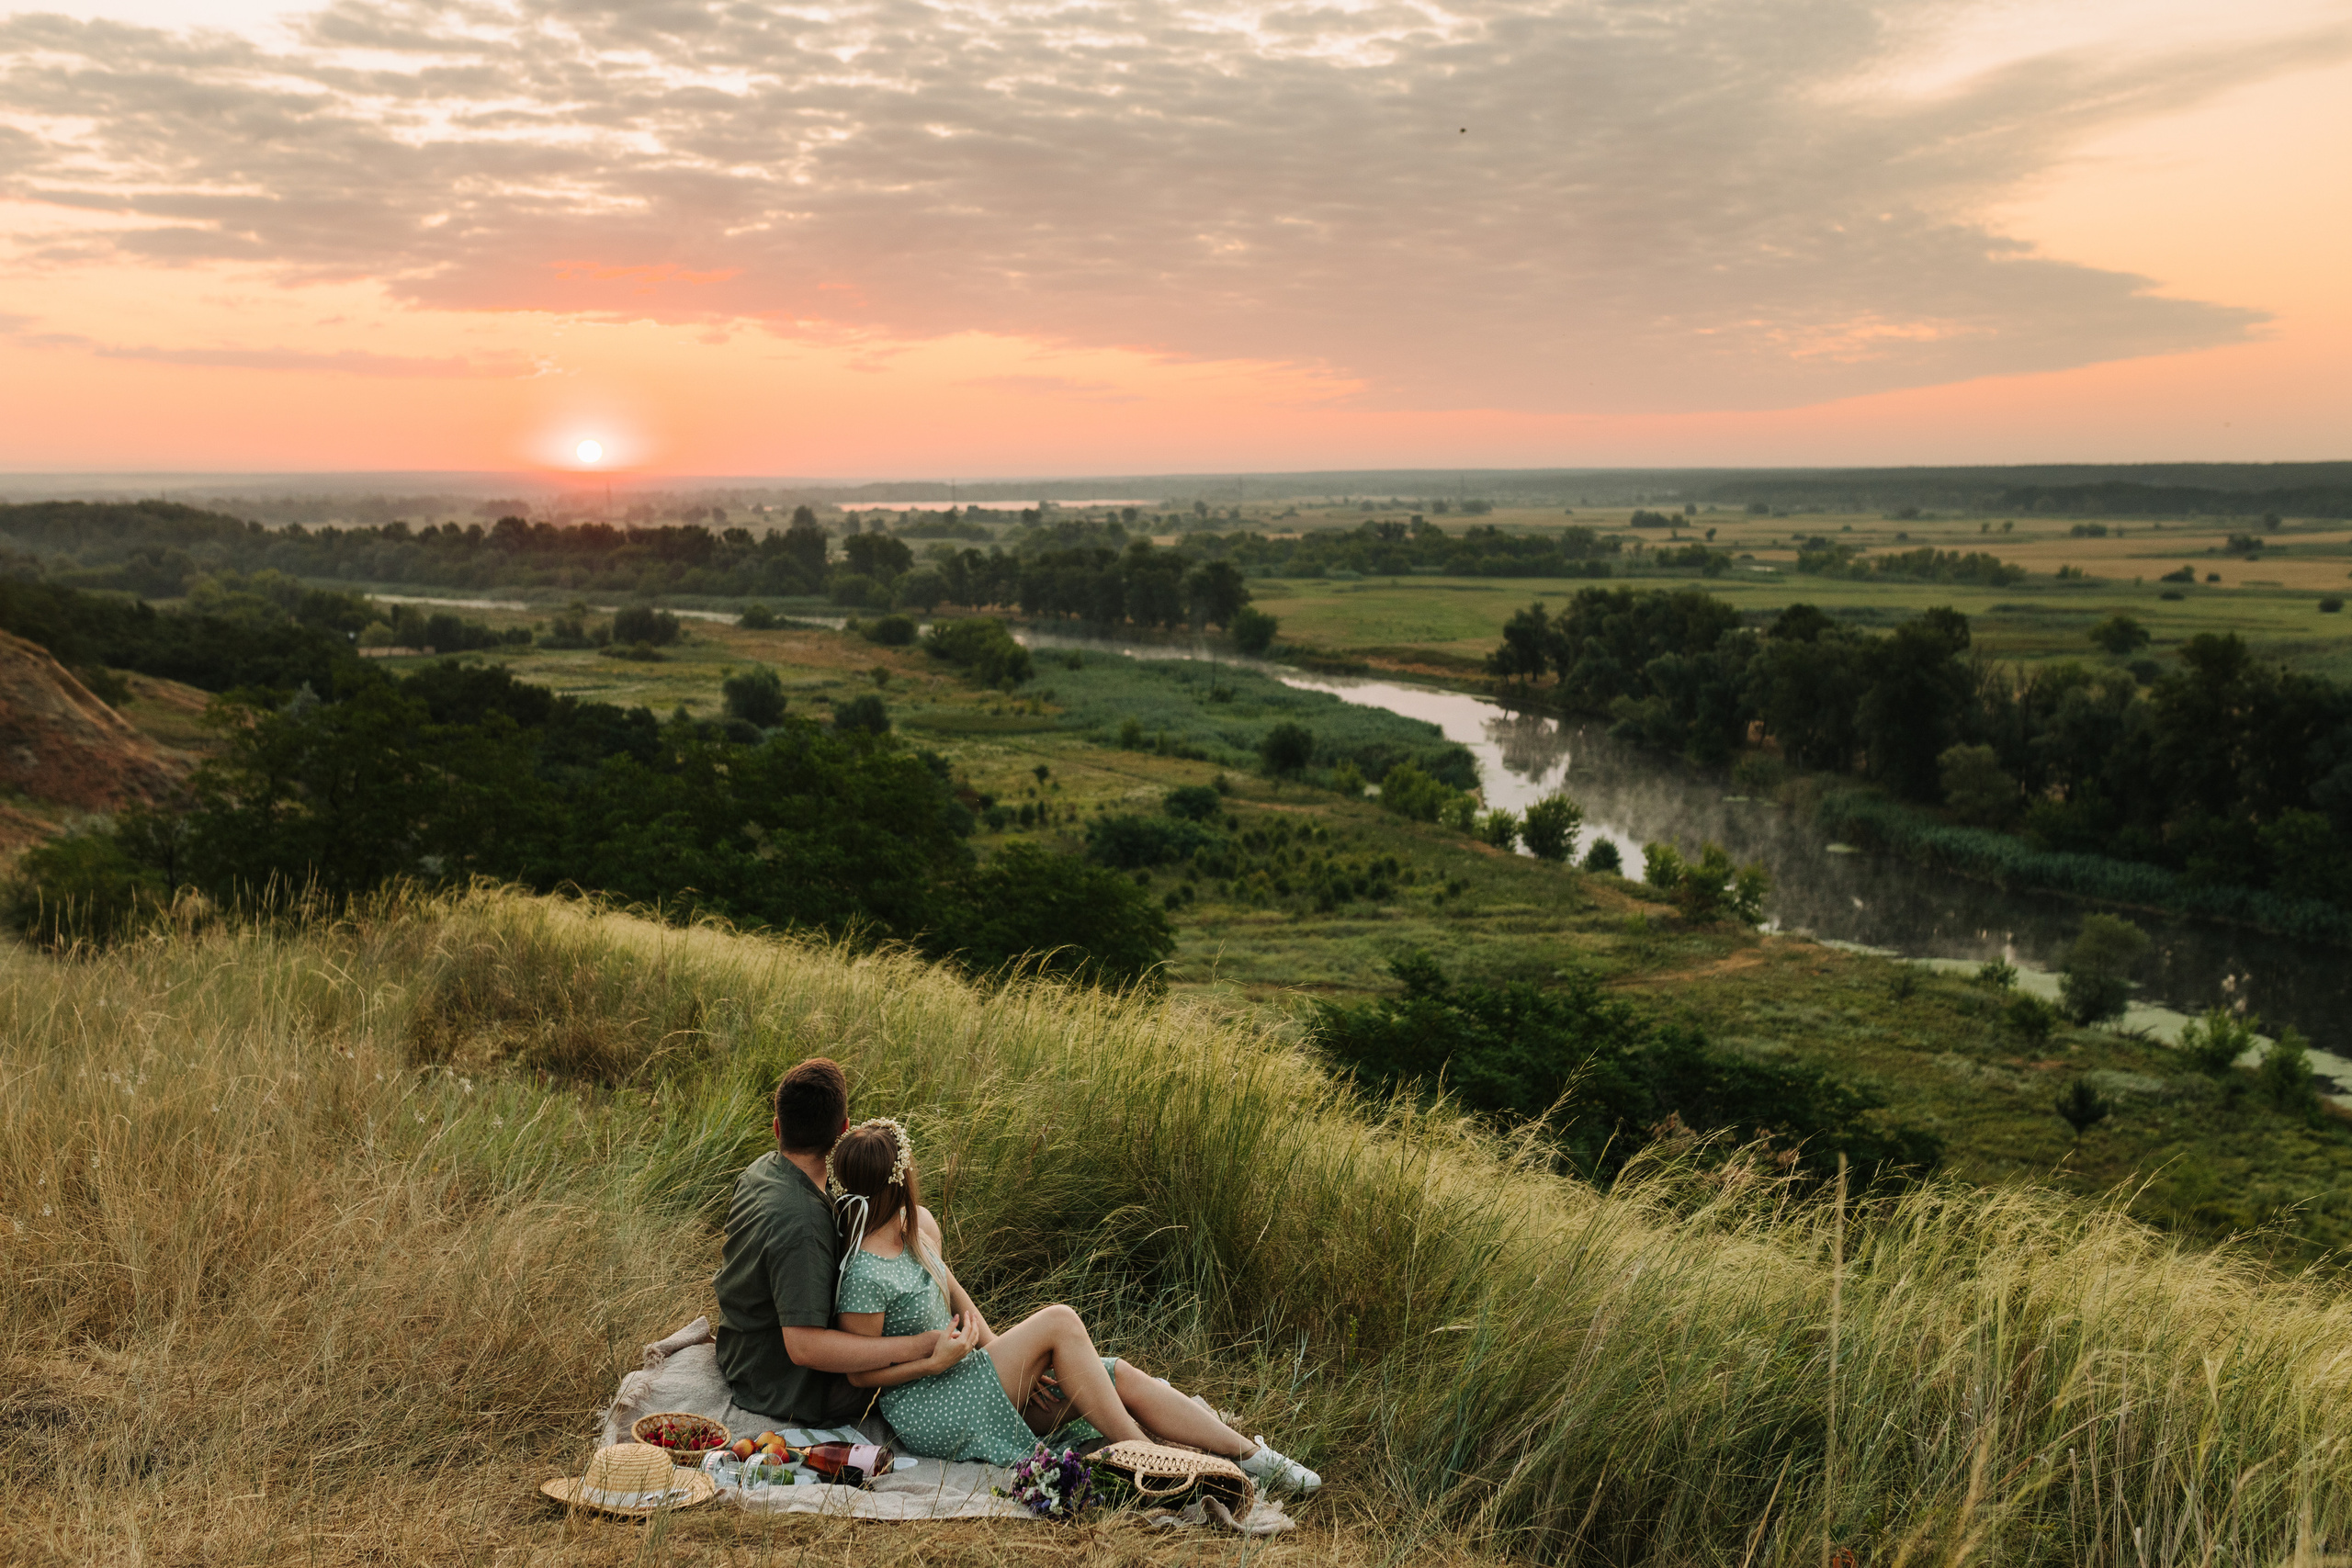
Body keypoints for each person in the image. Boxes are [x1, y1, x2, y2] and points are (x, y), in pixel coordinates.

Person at [830, 1118, 1321, 1495]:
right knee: (1061, 1320)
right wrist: (933, 1360)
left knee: (1114, 1375)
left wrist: (1013, 1359)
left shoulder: (919, 1227)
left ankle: (1253, 1456)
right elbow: (859, 1376)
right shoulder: (864, 1273)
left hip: (971, 1374)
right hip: (931, 1407)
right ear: (900, 1178)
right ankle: (1149, 1457)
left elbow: (961, 1301)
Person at [712, 1060, 958, 1424]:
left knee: (918, 1221)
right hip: (784, 1384)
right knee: (903, 1269)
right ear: (843, 1129)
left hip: (741, 1345)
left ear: (778, 1128)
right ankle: (949, 1370)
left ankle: (964, 1340)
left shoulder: (762, 1169)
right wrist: (920, 1347)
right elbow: (804, 1347)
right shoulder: (803, 1226)